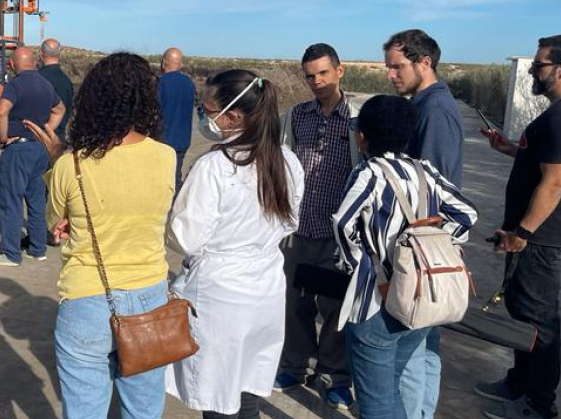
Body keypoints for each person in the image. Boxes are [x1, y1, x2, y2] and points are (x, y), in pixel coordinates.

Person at [25, 52, 175, 419]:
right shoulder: (167, 156)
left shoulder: (70, 164)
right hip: (151, 297)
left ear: (93, 100)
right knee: (143, 409)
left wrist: (59, 158)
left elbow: (54, 223)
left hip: (87, 298)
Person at [165, 69, 305, 419]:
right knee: (246, 390)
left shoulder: (216, 166)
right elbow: (290, 221)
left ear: (234, 116)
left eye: (208, 110)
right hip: (265, 290)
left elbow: (186, 237)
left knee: (217, 397)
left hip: (220, 296)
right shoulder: (287, 160)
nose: (204, 116)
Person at [475, 35, 561, 419]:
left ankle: (538, 406)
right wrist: (510, 148)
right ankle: (519, 383)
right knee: (523, 312)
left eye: (539, 64)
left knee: (539, 322)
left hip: (542, 238)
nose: (533, 70)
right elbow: (549, 161)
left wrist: (522, 233)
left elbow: (556, 181)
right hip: (544, 234)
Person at [333, 95, 478, 419]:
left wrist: (356, 263)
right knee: (392, 385)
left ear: (362, 136)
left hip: (377, 300)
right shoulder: (424, 170)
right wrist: (428, 247)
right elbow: (467, 213)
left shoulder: (369, 172)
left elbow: (342, 223)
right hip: (421, 299)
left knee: (376, 403)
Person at [383, 29, 465, 417]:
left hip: (423, 249)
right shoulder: (429, 103)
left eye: (397, 67)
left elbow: (430, 192)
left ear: (424, 63)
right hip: (427, 247)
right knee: (425, 346)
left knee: (410, 349)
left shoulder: (433, 111)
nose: (390, 75)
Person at [275, 43, 360, 410]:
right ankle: (294, 366)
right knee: (294, 305)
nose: (317, 81)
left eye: (324, 73)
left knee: (335, 308)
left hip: (335, 238)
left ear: (340, 71)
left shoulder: (356, 120)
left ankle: (334, 376)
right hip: (298, 232)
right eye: (310, 75)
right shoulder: (296, 117)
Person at [0, 47, 64, 267]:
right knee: (36, 200)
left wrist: (4, 138)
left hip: (18, 149)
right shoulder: (45, 84)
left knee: (12, 201)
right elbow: (60, 109)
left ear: (13, 64)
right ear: (34, 62)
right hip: (40, 150)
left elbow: (1, 111)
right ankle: (38, 248)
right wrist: (46, 131)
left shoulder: (15, 84)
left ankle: (12, 254)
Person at [157, 47, 196, 189]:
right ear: (180, 65)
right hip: (183, 140)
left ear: (163, 62)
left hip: (163, 141)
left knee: (161, 179)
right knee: (176, 176)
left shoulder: (160, 84)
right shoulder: (190, 84)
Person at [38, 38, 75, 141]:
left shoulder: (37, 78)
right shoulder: (66, 80)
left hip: (39, 136)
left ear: (41, 53)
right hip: (59, 137)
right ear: (59, 54)